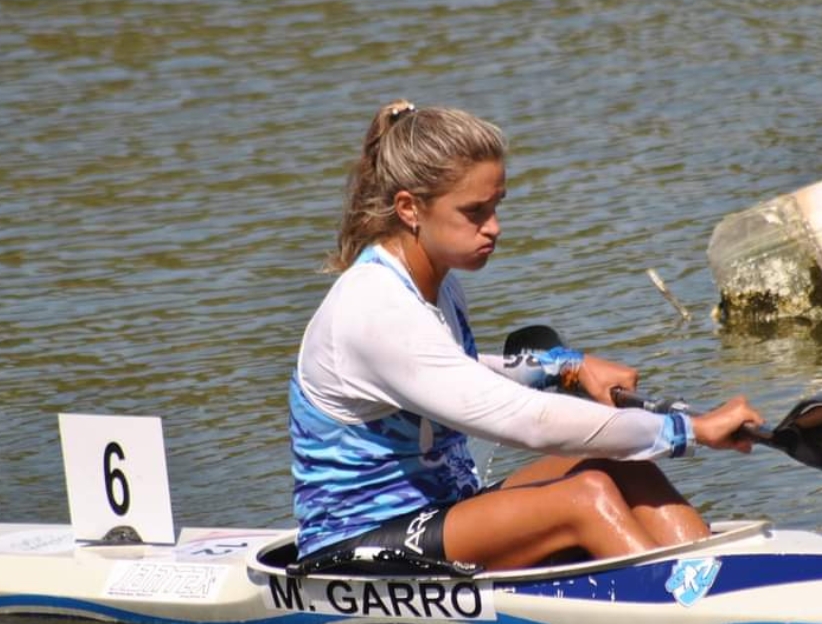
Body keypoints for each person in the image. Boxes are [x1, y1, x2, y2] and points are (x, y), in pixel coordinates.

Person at [290, 99, 763, 571]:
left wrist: (565, 367)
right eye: (474, 212)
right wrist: (688, 429)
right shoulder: (376, 309)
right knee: (585, 495)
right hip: (355, 543)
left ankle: (718, 571)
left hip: (443, 512)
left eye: (496, 206)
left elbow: (455, 373)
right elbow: (528, 422)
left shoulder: (437, 280)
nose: (493, 228)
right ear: (410, 208)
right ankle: (686, 603)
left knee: (624, 463)